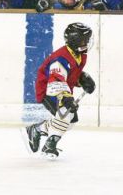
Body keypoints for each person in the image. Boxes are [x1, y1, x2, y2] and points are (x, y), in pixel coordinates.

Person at [21, 22, 95, 159]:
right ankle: (49, 146)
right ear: (75, 40)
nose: (87, 42)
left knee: (70, 121)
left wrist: (81, 80)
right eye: (84, 39)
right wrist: (66, 98)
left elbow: (70, 74)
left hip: (62, 89)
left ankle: (36, 129)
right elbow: (56, 79)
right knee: (65, 115)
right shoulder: (61, 58)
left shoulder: (80, 55)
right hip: (49, 89)